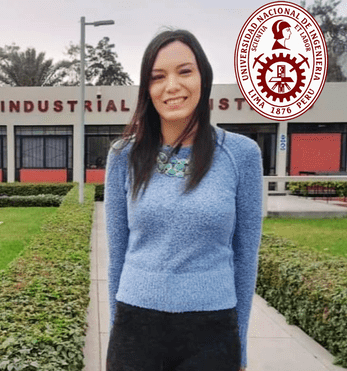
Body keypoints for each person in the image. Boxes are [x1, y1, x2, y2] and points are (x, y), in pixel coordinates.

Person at [104, 29, 263, 371]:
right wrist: (118, 331)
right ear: (147, 89)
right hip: (136, 330)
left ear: (204, 77)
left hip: (212, 332)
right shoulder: (123, 156)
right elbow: (116, 254)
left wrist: (240, 346)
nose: (172, 86)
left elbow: (246, 257)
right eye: (157, 77)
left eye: (185, 71)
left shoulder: (241, 154)